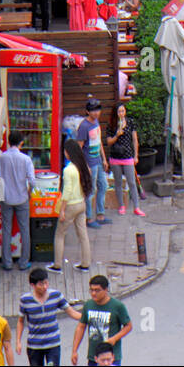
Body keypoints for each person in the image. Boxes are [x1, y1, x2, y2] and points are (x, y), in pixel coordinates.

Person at [18, 266, 83, 366]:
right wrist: (18, 341)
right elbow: (21, 321)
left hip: (53, 343)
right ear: (32, 285)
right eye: (41, 284)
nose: (45, 287)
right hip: (34, 345)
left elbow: (71, 312)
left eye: (46, 283)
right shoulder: (25, 300)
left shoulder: (56, 295)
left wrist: (86, 317)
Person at [48, 138, 93, 274]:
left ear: (68, 153)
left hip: (71, 206)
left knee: (60, 234)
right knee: (83, 235)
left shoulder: (68, 170)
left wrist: (62, 210)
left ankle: (57, 265)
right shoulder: (83, 166)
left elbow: (66, 191)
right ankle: (85, 264)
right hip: (81, 204)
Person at [0, 132, 34, 271]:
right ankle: (24, 262)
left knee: (6, 230)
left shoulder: (1, 158)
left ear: (8, 142)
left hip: (6, 198)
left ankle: (7, 262)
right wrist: (29, 192)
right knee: (25, 230)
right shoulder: (26, 159)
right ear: (21, 143)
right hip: (22, 198)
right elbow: (32, 181)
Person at [70, 275, 132, 366]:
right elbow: (81, 327)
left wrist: (114, 339)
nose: (93, 293)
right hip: (94, 356)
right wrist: (74, 350)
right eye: (91, 290)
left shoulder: (118, 306)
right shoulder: (88, 305)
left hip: (111, 357)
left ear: (106, 289)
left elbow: (128, 326)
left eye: (97, 290)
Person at [105, 104, 145, 217]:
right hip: (115, 157)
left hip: (127, 156)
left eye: (123, 111)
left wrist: (136, 155)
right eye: (119, 112)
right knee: (118, 182)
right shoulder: (111, 125)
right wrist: (117, 135)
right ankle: (121, 205)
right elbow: (108, 142)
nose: (121, 114)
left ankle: (136, 207)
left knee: (132, 182)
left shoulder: (130, 122)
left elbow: (134, 139)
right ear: (115, 113)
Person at [78, 98, 111, 227]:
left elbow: (98, 141)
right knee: (90, 191)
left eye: (98, 110)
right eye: (93, 110)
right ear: (87, 111)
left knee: (103, 186)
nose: (96, 113)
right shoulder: (84, 126)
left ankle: (100, 215)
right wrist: (85, 166)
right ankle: (89, 218)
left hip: (98, 160)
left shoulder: (96, 122)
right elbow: (79, 149)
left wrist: (104, 158)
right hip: (90, 163)